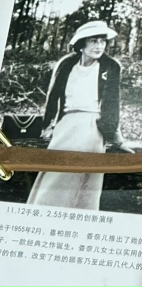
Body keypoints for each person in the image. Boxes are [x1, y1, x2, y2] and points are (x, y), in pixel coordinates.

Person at [27, 20, 130, 210]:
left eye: (102, 41)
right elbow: (52, 97)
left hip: (92, 127)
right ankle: (43, 211)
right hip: (65, 125)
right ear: (82, 43)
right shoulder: (66, 64)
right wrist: (47, 126)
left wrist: (116, 138)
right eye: (93, 41)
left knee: (85, 180)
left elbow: (112, 104)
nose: (99, 46)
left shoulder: (110, 66)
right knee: (54, 174)